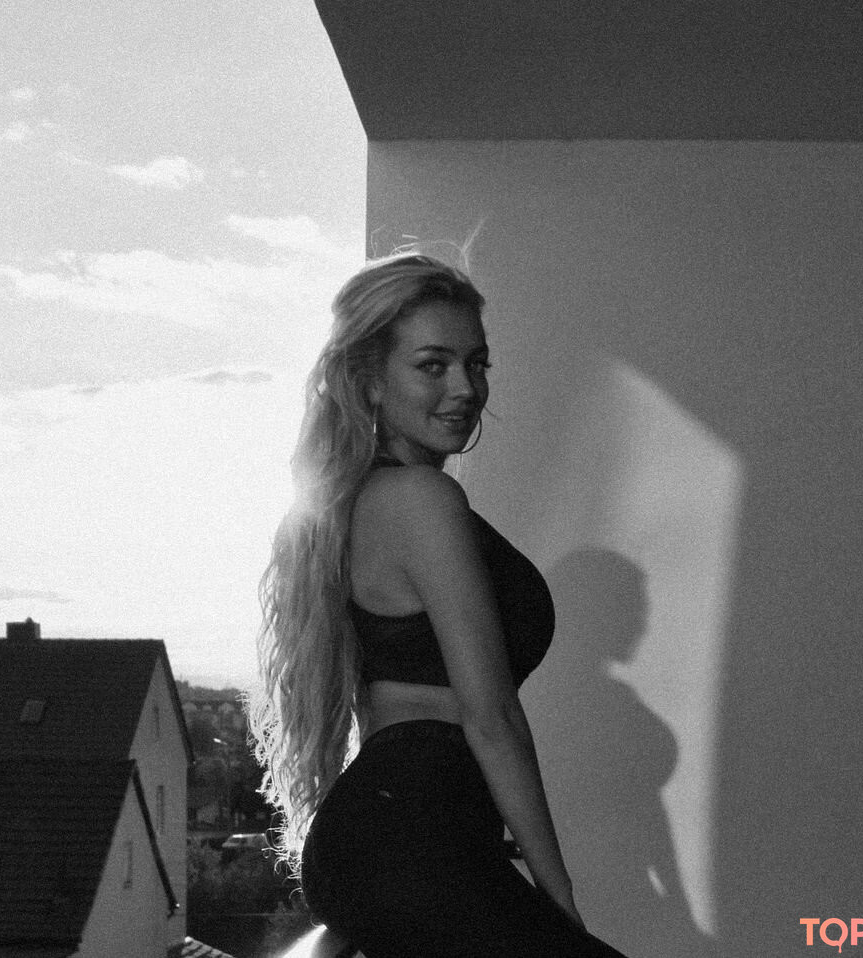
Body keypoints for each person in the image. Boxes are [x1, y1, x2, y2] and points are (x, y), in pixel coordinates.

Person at [248, 254, 630, 958]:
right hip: (408, 845)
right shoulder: (421, 500)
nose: (466, 388)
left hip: (397, 837)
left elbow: (385, 711)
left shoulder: (361, 502)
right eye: (433, 365)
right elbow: (492, 718)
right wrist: (558, 898)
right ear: (368, 379)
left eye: (476, 364)